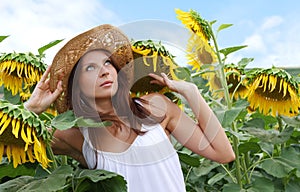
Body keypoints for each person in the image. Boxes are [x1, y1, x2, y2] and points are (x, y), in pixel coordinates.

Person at [24, 24, 235, 192]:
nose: (104, 71)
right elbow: (14, 140)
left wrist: (191, 92)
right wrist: (31, 109)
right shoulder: (79, 136)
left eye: (108, 63)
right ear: (77, 85)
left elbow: (223, 153)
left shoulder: (154, 107)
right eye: (90, 68)